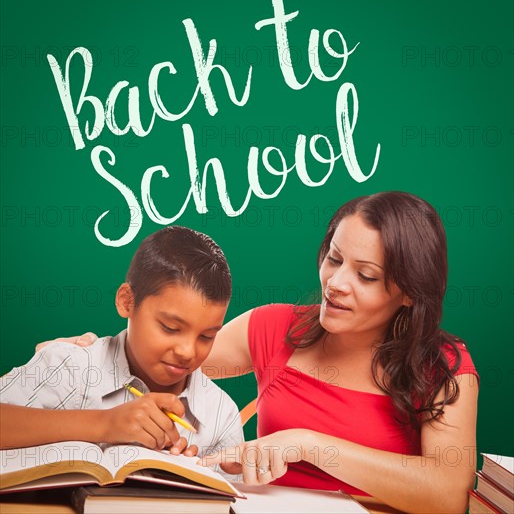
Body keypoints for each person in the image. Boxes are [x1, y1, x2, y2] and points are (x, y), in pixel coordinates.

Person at [29, 192, 479, 513]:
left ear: (407, 292)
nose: (336, 283)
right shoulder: (275, 327)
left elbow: (446, 493)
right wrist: (82, 358)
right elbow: (169, 355)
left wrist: (308, 445)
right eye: (334, 258)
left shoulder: (443, 365)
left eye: (366, 275)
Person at [0, 226, 243, 460]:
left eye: (207, 336)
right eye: (170, 328)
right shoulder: (68, 366)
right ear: (127, 301)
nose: (187, 352)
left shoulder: (222, 415)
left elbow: (235, 499)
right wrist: (104, 424)